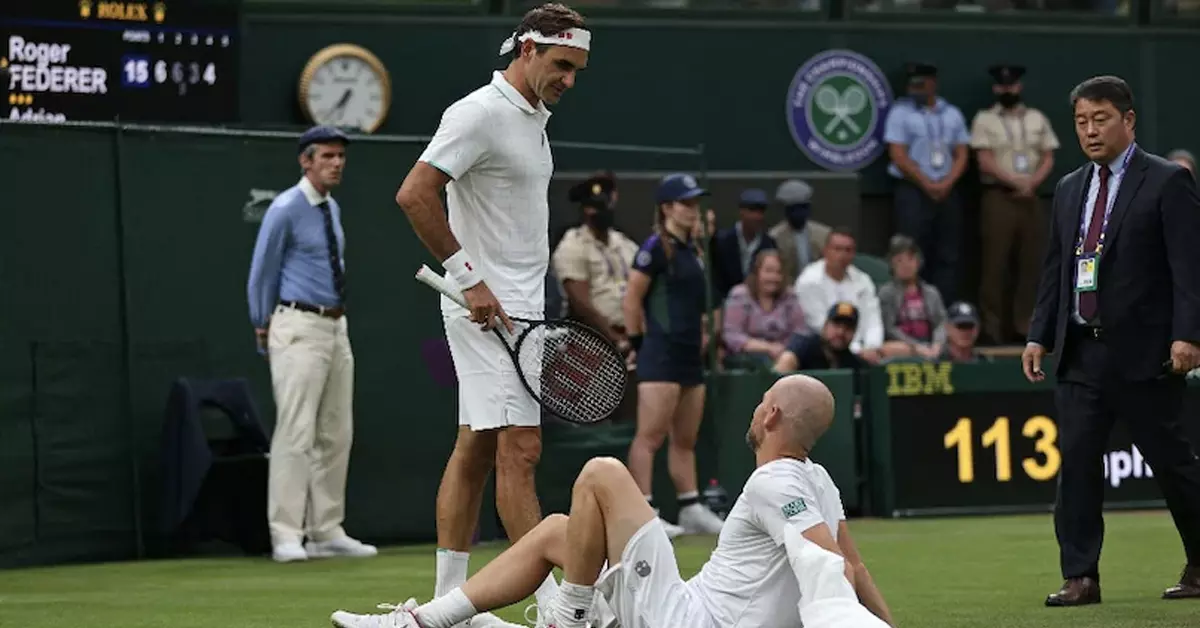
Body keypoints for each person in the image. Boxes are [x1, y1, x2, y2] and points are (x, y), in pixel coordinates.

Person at [328, 374, 893, 628]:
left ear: (770, 416)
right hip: (690, 603)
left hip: (689, 622)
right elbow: (856, 566)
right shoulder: (817, 479)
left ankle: (569, 620)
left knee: (602, 471)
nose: (755, 409)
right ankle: (428, 620)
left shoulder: (775, 483)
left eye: (762, 401)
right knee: (555, 529)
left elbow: (830, 564)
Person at [393, 3, 591, 623]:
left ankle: (449, 602)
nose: (569, 79)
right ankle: (556, 604)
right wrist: (471, 281)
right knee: (521, 449)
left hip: (522, 311)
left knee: (477, 447)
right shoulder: (478, 112)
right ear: (526, 50)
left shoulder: (534, 117)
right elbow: (414, 193)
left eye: (578, 69)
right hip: (488, 312)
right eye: (561, 65)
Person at [1022, 75, 1200, 606]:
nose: (1090, 130)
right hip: (1081, 351)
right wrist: (1038, 334)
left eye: (1101, 118)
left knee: (1172, 462)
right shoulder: (1071, 187)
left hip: (1145, 353)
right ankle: (1081, 576)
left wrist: (1187, 335)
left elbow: (1188, 268)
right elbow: (1057, 267)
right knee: (1075, 465)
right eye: (1081, 121)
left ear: (1128, 120)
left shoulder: (1168, 181)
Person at [246, 125, 377, 564]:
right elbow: (262, 270)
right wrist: (261, 325)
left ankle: (325, 530)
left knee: (336, 431)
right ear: (306, 160)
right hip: (296, 325)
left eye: (341, 156)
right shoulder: (284, 208)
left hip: (335, 328)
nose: (336, 163)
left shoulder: (332, 209)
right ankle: (286, 533)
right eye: (327, 156)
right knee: (296, 432)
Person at [623, 173, 727, 537]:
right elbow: (632, 298)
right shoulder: (653, 247)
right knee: (649, 437)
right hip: (659, 353)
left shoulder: (695, 251)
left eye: (696, 203)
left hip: (688, 356)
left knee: (685, 438)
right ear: (667, 208)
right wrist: (638, 343)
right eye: (686, 203)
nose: (693, 210)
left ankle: (690, 506)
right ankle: (644, 512)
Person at [970, 64, 1060, 345]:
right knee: (994, 265)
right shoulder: (985, 119)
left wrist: (1031, 183)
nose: (1007, 90)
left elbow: (1048, 156)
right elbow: (984, 159)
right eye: (1001, 86)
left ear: (1019, 87)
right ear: (995, 89)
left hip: (1032, 197)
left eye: (1011, 85)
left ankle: (1025, 327)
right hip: (999, 195)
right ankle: (992, 329)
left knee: (1032, 263)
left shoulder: (1036, 118)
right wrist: (1014, 181)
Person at [883, 61, 971, 303]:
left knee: (948, 254)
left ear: (933, 84)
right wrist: (927, 183)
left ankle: (945, 310)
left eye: (921, 85)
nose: (916, 90)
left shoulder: (951, 113)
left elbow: (962, 152)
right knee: (911, 251)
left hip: (947, 191)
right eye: (912, 85)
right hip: (913, 191)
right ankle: (912, 310)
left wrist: (946, 182)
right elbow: (898, 154)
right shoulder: (900, 113)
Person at [553, 174, 639, 355]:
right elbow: (580, 302)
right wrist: (616, 339)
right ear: (585, 210)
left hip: (632, 336)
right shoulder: (573, 245)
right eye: (594, 208)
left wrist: (638, 336)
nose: (600, 212)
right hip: (592, 340)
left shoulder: (624, 244)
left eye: (604, 206)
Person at [793, 228, 885, 363]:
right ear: (825, 251)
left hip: (864, 350)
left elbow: (873, 320)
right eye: (837, 249)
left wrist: (872, 347)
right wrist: (857, 351)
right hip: (820, 349)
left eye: (848, 250)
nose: (842, 255)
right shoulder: (808, 280)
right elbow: (820, 326)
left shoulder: (863, 280)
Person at [721, 249, 809, 370]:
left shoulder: (790, 296)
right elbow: (732, 335)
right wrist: (768, 347)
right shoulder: (740, 295)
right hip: (747, 357)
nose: (774, 277)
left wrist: (784, 351)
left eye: (778, 272)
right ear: (757, 273)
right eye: (768, 271)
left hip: (784, 355)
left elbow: (800, 331)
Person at [877, 235, 948, 360]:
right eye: (899, 260)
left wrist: (937, 345)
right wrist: (917, 347)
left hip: (931, 346)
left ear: (918, 261)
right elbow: (890, 328)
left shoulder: (931, 292)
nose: (906, 265)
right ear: (892, 264)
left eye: (910, 259)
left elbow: (941, 322)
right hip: (904, 347)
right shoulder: (886, 293)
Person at [710, 188, 778, 302]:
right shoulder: (721, 241)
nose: (757, 216)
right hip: (725, 304)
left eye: (761, 211)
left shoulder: (769, 244)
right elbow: (715, 279)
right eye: (752, 210)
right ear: (741, 211)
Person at [767, 179, 831, 286]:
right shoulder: (774, 236)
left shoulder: (824, 234)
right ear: (786, 211)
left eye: (803, 207)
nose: (798, 213)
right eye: (793, 209)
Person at [774, 303, 866, 373]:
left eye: (848, 328)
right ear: (825, 326)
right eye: (836, 325)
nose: (841, 332)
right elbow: (785, 363)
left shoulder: (853, 364)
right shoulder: (805, 345)